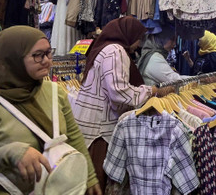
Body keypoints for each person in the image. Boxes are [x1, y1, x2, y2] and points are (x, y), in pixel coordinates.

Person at [0, 26, 101, 195]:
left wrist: (89, 177)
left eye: (48, 53)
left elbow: (73, 136)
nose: (46, 61)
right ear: (11, 59)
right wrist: (6, 154)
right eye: (38, 55)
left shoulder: (53, 92)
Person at [72, 17, 174, 192]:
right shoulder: (115, 51)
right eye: (139, 38)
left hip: (92, 126)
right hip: (100, 132)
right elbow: (118, 92)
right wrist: (152, 91)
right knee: (96, 184)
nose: (139, 44)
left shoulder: (106, 48)